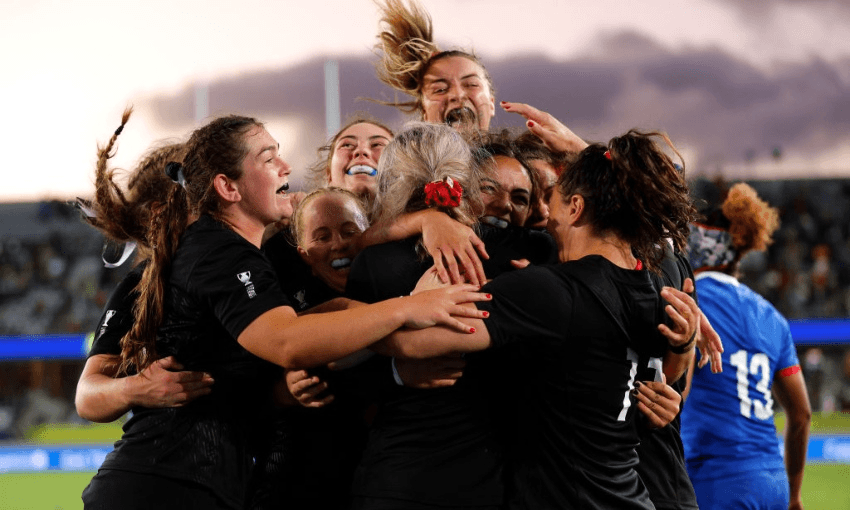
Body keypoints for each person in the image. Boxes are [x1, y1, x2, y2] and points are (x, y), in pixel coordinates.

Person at [80, 114, 489, 510]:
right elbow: (288, 341)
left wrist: (428, 220)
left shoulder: (234, 251)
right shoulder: (218, 251)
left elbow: (334, 282)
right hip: (170, 486)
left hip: (192, 483)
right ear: (226, 187)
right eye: (268, 157)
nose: (286, 166)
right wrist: (408, 310)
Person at [376, 129, 699, 509]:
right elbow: (668, 378)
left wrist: (378, 314)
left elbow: (415, 342)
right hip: (629, 493)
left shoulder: (549, 291)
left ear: (576, 207)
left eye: (554, 200)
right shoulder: (654, 289)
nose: (545, 216)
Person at [75, 108, 213, 424]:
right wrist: (136, 389)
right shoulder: (139, 286)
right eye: (200, 191)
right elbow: (87, 396)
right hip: (155, 463)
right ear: (159, 211)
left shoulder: (245, 259)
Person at [680, 182, 812, 510]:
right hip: (772, 482)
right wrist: (794, 495)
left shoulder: (686, 301)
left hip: (714, 480)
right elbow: (802, 414)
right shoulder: (773, 317)